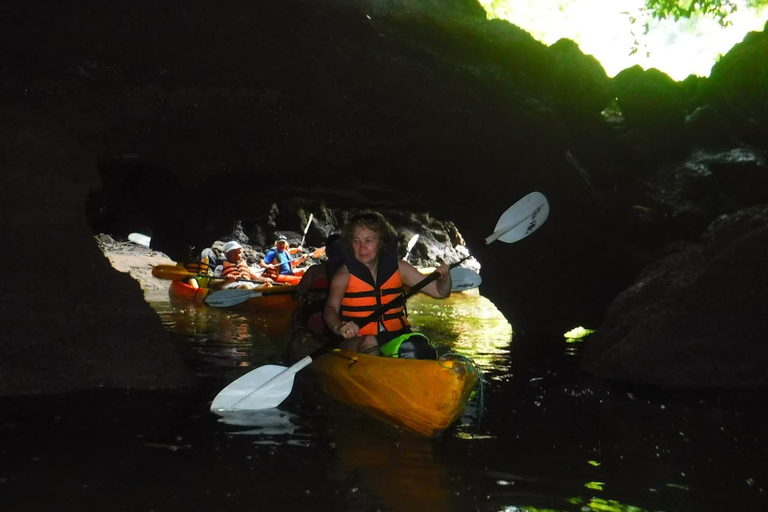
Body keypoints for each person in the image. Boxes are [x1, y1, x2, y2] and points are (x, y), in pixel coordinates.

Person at [323, 212, 452, 357]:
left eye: (368, 240)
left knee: (418, 345)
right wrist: (339, 326)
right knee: (370, 342)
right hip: (356, 339)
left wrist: (445, 279)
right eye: (356, 241)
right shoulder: (344, 275)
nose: (362, 247)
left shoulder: (399, 268)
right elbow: (330, 308)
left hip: (394, 334)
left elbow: (439, 291)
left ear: (381, 243)